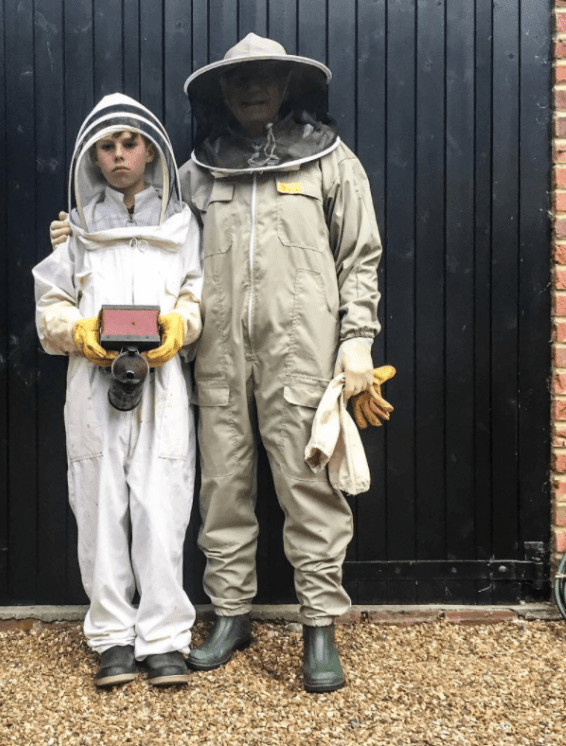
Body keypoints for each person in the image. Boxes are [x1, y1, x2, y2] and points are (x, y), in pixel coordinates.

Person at [178, 33, 383, 693]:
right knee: (222, 490)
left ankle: (319, 626)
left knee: (311, 489)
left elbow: (360, 256)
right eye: (239, 82)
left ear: (289, 86)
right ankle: (230, 616)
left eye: (264, 78)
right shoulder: (199, 170)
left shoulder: (331, 161)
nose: (252, 89)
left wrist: (358, 338)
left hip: (302, 350)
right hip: (215, 356)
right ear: (223, 94)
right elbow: (160, 251)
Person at [33, 93, 203, 688]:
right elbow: (49, 304)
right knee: (100, 507)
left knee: (162, 506)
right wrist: (74, 331)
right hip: (92, 383)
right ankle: (111, 638)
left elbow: (197, 292)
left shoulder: (184, 226)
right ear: (93, 157)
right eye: (107, 146)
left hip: (163, 384)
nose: (118, 154)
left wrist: (182, 325)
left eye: (129, 142)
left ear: (151, 150)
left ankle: (163, 639)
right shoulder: (74, 230)